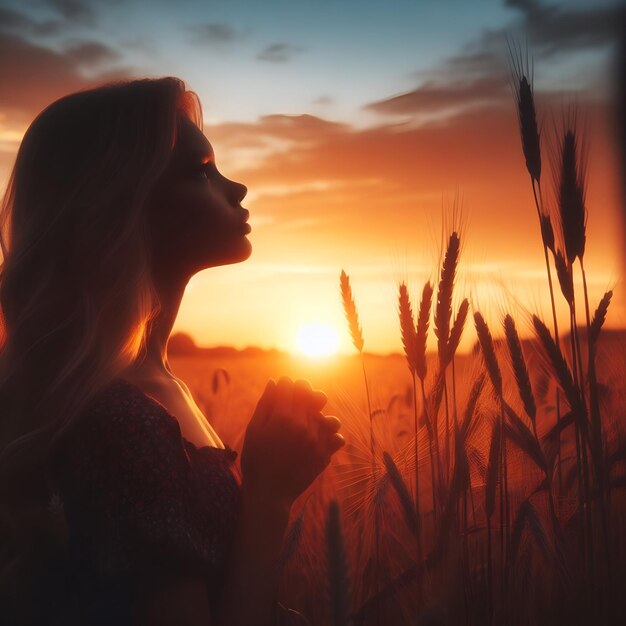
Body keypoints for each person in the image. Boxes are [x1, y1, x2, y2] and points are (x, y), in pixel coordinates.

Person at [0, 77, 345, 625]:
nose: (238, 189)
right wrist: (268, 498)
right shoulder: (124, 421)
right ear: (121, 207)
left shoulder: (155, 385)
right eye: (202, 172)